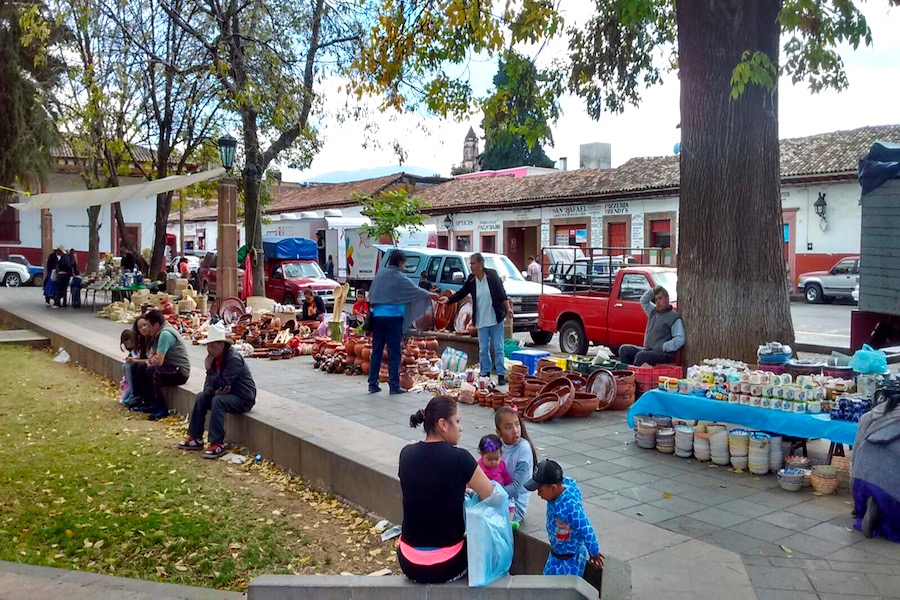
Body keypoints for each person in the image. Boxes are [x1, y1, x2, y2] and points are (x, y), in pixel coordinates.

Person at [399, 396, 495, 584]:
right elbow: (491, 495)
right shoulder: (461, 458)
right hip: (447, 565)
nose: (461, 428)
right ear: (443, 424)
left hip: (408, 562)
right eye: (457, 421)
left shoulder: (406, 454)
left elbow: (425, 490)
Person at [367, 249, 441, 394]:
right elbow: (415, 291)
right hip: (393, 319)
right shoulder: (400, 277)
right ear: (401, 263)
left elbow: (372, 295)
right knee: (394, 352)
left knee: (376, 351)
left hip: (377, 318)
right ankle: (394, 386)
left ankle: (372, 383)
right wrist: (431, 295)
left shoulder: (380, 274)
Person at [178, 322, 256, 458]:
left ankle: (217, 443)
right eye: (208, 345)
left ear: (221, 345)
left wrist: (210, 371)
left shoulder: (233, 359)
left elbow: (224, 384)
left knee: (218, 401)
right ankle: (195, 437)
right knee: (202, 397)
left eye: (212, 345)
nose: (209, 348)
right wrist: (214, 390)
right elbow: (209, 386)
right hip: (225, 394)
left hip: (242, 397)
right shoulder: (213, 359)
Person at [440, 253, 512, 385]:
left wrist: (508, 310)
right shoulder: (472, 279)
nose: (471, 266)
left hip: (496, 318)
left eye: (473, 263)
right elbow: (462, 293)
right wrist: (448, 300)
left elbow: (502, 294)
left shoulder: (492, 275)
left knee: (498, 347)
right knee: (483, 348)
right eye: (471, 264)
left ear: (480, 264)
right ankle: (485, 372)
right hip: (481, 319)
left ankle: (501, 374)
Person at [525, 459, 604, 577]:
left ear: (552, 488)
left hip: (570, 559)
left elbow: (585, 528)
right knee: (546, 583)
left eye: (540, 490)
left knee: (565, 590)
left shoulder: (570, 506)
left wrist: (594, 551)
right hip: (555, 554)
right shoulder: (553, 496)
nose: (538, 494)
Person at [852, 388, 900, 542]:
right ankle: (881, 512)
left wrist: (853, 480)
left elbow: (856, 448)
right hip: (889, 477)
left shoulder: (879, 411)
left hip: (862, 473)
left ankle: (869, 508)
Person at [139, 309, 191, 420]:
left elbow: (159, 362)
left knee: (153, 371)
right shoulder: (157, 333)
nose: (147, 329)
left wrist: (153, 358)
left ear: (156, 325)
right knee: (142, 367)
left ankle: (161, 408)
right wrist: (152, 357)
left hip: (180, 371)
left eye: (148, 326)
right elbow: (151, 356)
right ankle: (148, 402)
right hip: (169, 367)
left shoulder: (165, 334)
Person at [618, 285, 685, 366]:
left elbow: (680, 339)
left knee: (641, 356)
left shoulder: (673, 317)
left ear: (667, 299)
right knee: (624, 350)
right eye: (656, 299)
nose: (657, 302)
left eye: (660, 298)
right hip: (648, 350)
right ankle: (626, 374)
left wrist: (664, 346)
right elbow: (644, 300)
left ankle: (635, 377)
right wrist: (653, 291)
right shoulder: (654, 312)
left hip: (663, 354)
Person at [495, 406, 537, 525]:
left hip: (515, 505)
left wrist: (489, 492)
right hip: (499, 495)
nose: (515, 430)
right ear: (499, 432)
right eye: (508, 427)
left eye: (517, 424)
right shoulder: (498, 445)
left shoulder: (523, 449)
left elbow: (515, 489)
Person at [121, 316, 152, 407]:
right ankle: (133, 393)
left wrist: (134, 360)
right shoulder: (141, 340)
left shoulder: (153, 338)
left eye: (145, 325)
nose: (143, 328)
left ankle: (138, 396)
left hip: (153, 364)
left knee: (138, 366)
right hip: (146, 362)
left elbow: (150, 359)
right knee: (128, 366)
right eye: (140, 327)